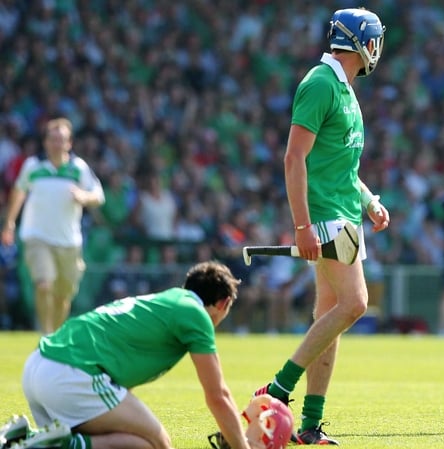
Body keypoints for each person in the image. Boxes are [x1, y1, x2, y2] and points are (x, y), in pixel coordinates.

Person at [253, 8, 390, 445]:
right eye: (375, 40)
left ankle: (310, 426)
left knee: (329, 315)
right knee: (354, 305)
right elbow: (294, 158)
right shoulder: (319, 83)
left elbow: (341, 166)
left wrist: (369, 201)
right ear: (363, 43)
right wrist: (301, 226)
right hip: (327, 218)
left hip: (347, 214)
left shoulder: (345, 89)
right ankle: (276, 388)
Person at [0, 261, 254, 449]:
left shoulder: (167, 301)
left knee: (137, 442)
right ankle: (57, 447)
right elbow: (218, 396)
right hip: (70, 374)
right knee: (157, 444)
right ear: (223, 303)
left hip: (39, 365)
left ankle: (29, 439)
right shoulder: (195, 314)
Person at [1, 118, 105, 334]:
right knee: (43, 284)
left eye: (62, 140)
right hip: (37, 237)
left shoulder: (78, 168)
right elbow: (19, 193)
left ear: (69, 143)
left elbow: (98, 195)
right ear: (46, 142)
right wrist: (9, 224)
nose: (57, 144)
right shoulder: (32, 166)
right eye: (53, 139)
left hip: (69, 241)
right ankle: (45, 335)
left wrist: (84, 197)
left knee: (63, 295)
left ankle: (55, 336)